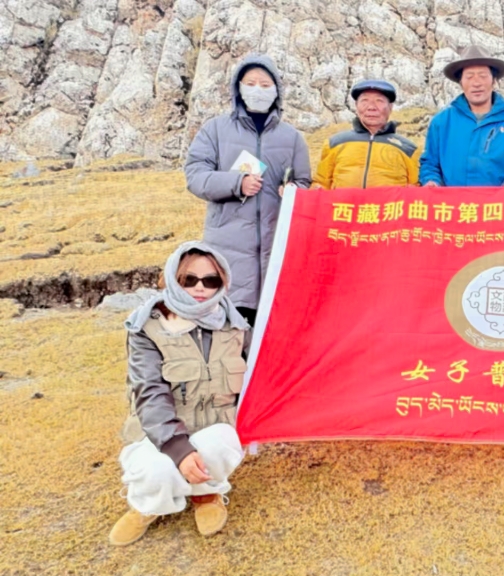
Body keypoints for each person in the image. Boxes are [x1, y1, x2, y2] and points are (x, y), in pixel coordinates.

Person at [109, 241, 251, 546]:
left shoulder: (237, 325)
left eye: (210, 280)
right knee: (157, 468)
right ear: (173, 278)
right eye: (190, 279)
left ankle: (207, 495)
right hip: (163, 432)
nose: (200, 288)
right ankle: (146, 504)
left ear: (222, 282)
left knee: (222, 443)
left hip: (217, 426)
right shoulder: (147, 329)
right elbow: (150, 393)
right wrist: (178, 448)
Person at [184, 54, 312, 327]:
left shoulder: (292, 137)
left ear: (276, 91)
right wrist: (236, 182)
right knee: (228, 329)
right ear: (238, 87)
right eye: (251, 83)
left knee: (271, 329)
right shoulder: (215, 130)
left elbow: (304, 181)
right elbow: (195, 176)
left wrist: (292, 190)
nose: (258, 90)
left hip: (276, 248)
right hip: (227, 249)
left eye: (265, 85)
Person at [419, 45, 504, 187]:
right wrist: (431, 181)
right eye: (469, 77)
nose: (476, 83)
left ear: (494, 80)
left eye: (483, 76)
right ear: (460, 83)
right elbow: (429, 163)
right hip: (454, 206)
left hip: (497, 207)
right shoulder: (441, 122)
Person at [312, 79, 420, 189]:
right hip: (344, 206)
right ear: (356, 106)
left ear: (390, 107)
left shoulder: (408, 149)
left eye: (379, 101)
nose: (371, 107)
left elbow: (416, 189)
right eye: (364, 101)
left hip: (387, 206)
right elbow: (321, 182)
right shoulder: (334, 143)